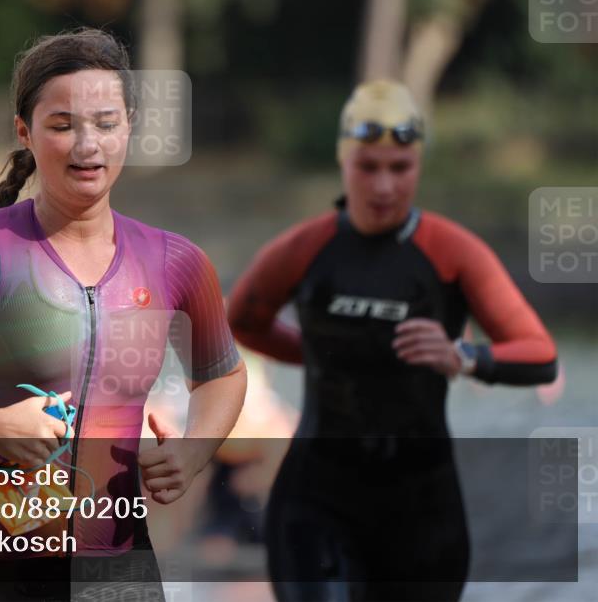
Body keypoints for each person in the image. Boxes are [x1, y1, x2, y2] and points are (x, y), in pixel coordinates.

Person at [0, 28, 247, 601]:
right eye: (63, 125)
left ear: (129, 128)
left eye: (106, 124)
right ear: (25, 131)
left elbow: (222, 374)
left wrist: (192, 453)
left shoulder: (175, 263)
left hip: (119, 570)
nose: (87, 145)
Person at [227, 80, 558, 602]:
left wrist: (463, 357)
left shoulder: (453, 252)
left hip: (422, 508)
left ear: (418, 166)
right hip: (318, 499)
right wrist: (313, 354)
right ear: (344, 162)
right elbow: (242, 322)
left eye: (400, 168)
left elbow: (538, 352)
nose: (384, 186)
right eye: (368, 167)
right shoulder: (304, 249)